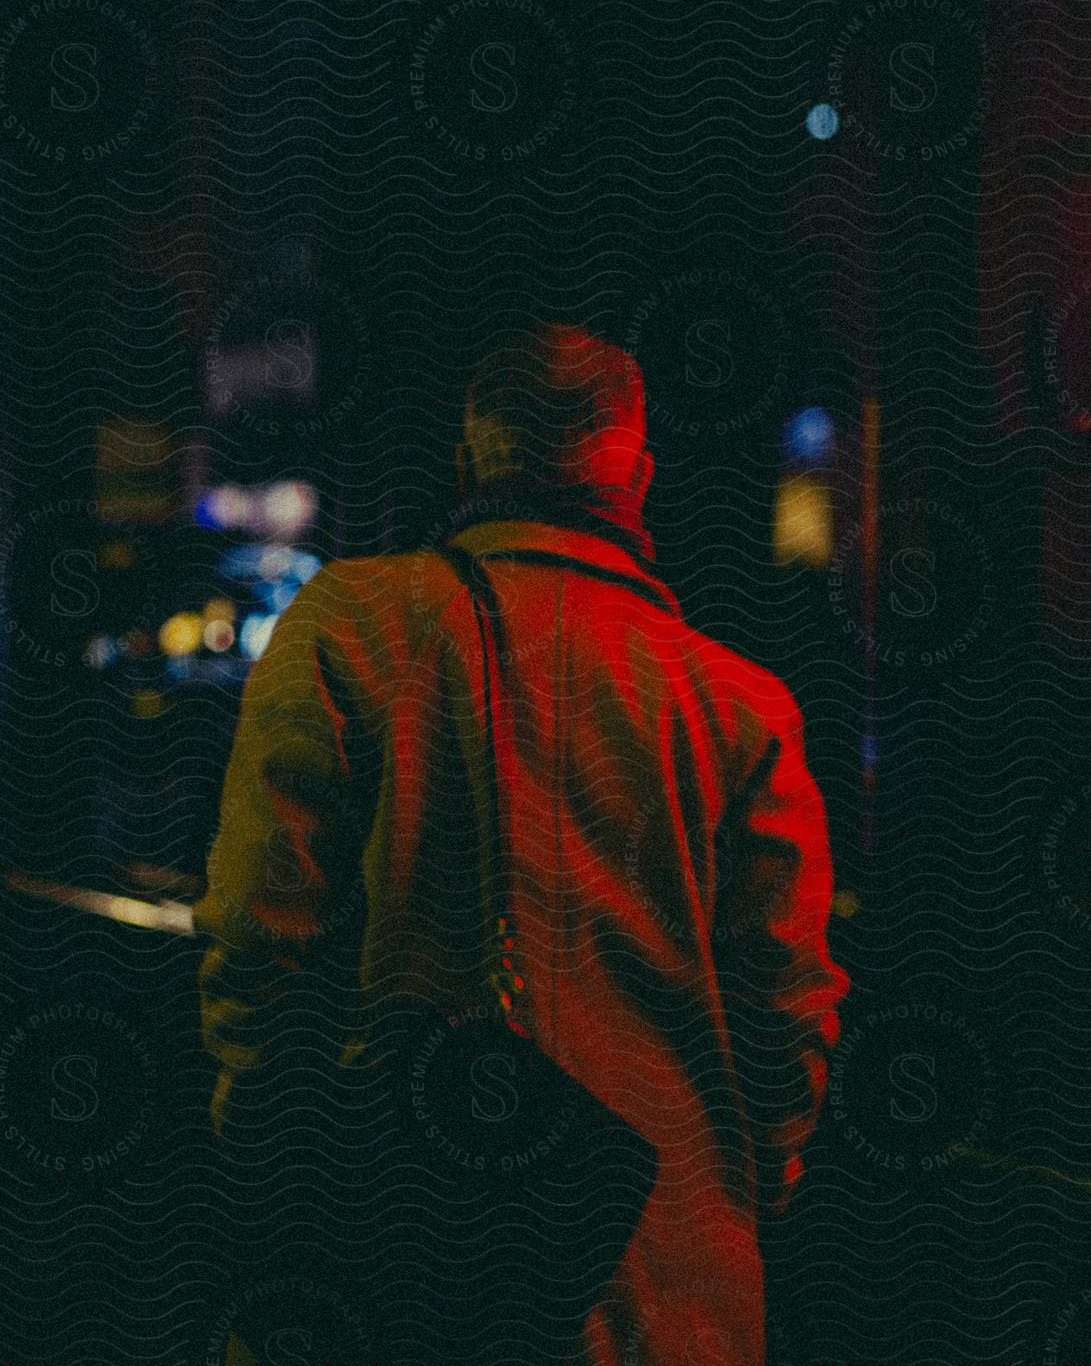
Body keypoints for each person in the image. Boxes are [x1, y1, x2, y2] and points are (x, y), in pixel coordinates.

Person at [194, 321, 850, 1366]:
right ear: (637, 476)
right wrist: (731, 1193)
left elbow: (255, 939)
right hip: (665, 1286)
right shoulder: (741, 706)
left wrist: (281, 1173)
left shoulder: (349, 626)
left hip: (393, 1261)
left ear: (466, 464)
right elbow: (787, 1013)